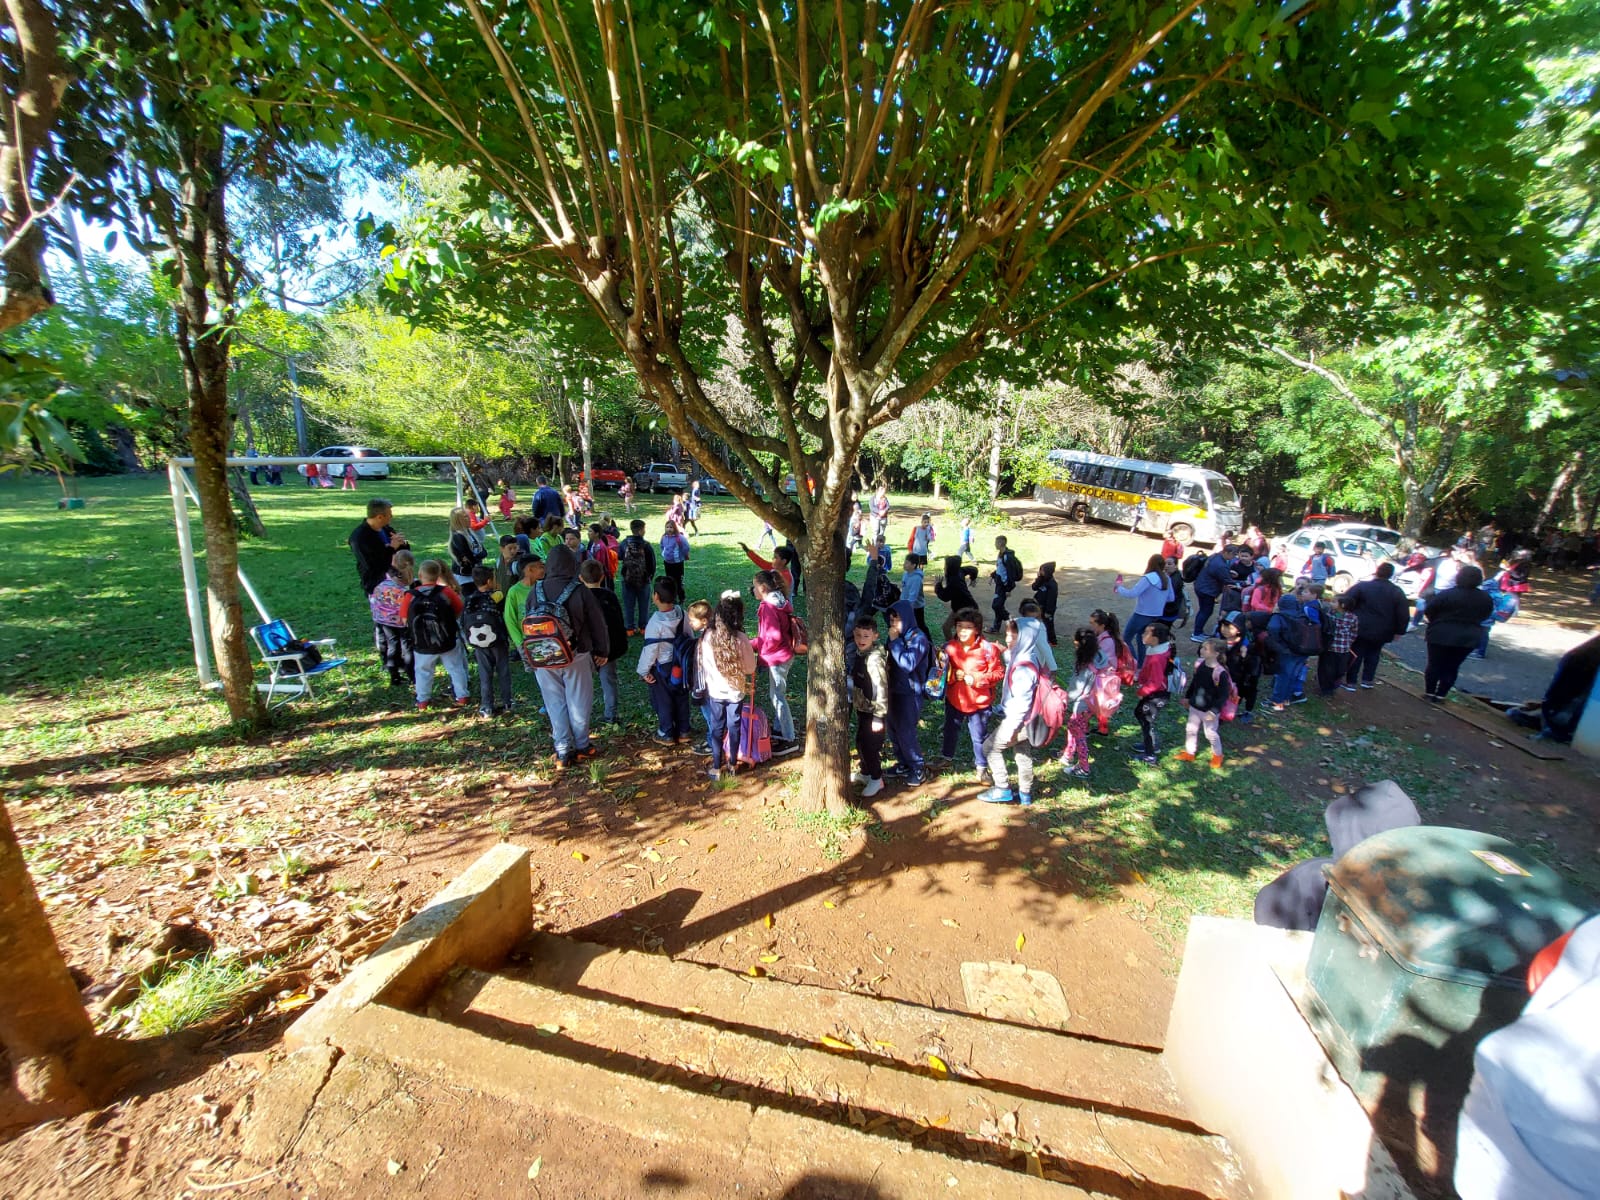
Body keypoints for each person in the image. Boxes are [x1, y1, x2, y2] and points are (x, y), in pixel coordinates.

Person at [531, 545, 611, 767]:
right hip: (576, 654)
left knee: (554, 702)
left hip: (543, 656)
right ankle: (583, 745)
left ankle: (563, 749)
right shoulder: (579, 590)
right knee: (579, 701)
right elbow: (597, 623)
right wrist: (602, 650)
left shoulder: (535, 590)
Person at [978, 618, 1053, 806]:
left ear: (1026, 637)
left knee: (990, 747)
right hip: (1033, 720)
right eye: (1007, 633)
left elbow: (1022, 702)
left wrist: (1011, 728)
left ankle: (1002, 788)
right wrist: (1005, 651)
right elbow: (1012, 660)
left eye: (1014, 634)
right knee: (1022, 753)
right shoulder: (1030, 655)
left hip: (1018, 720)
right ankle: (1025, 794)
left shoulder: (1023, 667)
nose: (1008, 638)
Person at [937, 607, 1002, 779]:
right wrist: (950, 674)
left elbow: (997, 674)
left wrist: (974, 678)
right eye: (959, 626)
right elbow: (941, 674)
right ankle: (946, 758)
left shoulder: (988, 650)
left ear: (977, 629)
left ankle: (981, 767)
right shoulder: (949, 648)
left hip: (979, 703)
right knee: (950, 729)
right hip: (954, 699)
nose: (962, 631)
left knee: (978, 736)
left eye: (968, 627)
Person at [699, 591, 756, 780]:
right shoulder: (741, 638)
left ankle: (716, 766)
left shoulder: (708, 636)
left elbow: (704, 664)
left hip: (715, 690)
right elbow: (750, 668)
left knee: (716, 728)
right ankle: (732, 764)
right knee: (734, 726)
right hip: (736, 691)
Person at [400, 559, 471, 710]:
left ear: (420, 575)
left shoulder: (410, 596)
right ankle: (462, 695)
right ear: (438, 574)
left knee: (422, 671)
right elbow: (459, 609)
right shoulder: (446, 592)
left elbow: (404, 618)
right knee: (456, 667)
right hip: (447, 639)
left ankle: (423, 700)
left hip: (422, 642)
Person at [1421, 564, 1493, 701]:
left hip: (1441, 633)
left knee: (1434, 664)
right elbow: (1486, 615)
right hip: (1468, 636)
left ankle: (1429, 692)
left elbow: (1430, 610)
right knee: (1452, 666)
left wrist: (1436, 621)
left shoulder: (1447, 594)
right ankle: (1441, 694)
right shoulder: (1485, 598)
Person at [749, 570, 799, 754]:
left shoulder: (768, 607)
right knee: (778, 694)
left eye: (754, 587)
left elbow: (773, 638)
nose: (752, 590)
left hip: (777, 658)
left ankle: (789, 738)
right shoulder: (778, 601)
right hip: (783, 654)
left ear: (762, 588)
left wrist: (756, 647)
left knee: (777, 697)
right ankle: (779, 730)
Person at [884, 600, 933, 785]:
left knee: (906, 731)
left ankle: (917, 767)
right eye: (891, 621)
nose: (893, 625)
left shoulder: (918, 638)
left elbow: (908, 664)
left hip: (910, 693)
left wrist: (895, 642)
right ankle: (903, 762)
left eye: (897, 620)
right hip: (893, 690)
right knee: (894, 729)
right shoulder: (895, 636)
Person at [639, 577, 692, 744]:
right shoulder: (682, 614)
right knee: (682, 696)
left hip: (662, 668)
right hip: (681, 664)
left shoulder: (655, 623)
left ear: (655, 596)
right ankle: (684, 731)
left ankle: (666, 732)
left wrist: (643, 671)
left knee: (663, 700)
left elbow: (650, 650)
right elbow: (689, 636)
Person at [1342, 562, 1411, 689]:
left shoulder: (1363, 586)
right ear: (1391, 575)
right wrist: (1399, 631)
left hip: (1361, 626)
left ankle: (1351, 681)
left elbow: (1346, 600)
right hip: (1383, 630)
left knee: (1356, 653)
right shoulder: (1396, 592)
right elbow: (1403, 614)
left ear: (1377, 571)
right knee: (1374, 653)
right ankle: (1367, 680)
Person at [463, 565, 514, 718]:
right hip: (498, 640)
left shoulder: (470, 599)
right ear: (489, 580)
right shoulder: (497, 595)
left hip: (479, 644)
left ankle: (487, 706)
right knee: (503, 671)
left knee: (485, 674)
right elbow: (504, 613)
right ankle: (507, 702)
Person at [580, 559, 627, 725]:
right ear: (602, 577)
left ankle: (581, 718)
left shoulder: (579, 598)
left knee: (582, 686)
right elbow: (617, 626)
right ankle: (611, 716)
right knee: (609, 683)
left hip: (585, 652)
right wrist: (610, 652)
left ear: (580, 578)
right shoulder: (609, 596)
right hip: (607, 651)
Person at [848, 615, 890, 799]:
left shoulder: (874, 660)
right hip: (863, 707)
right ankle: (865, 773)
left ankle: (876, 778)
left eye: (866, 636)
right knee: (860, 741)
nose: (861, 640)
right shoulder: (861, 653)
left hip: (874, 712)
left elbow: (880, 687)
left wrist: (879, 716)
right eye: (858, 635)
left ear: (875, 636)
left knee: (870, 746)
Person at [1178, 638, 1232, 767]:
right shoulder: (1200, 664)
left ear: (1216, 654)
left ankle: (1218, 755)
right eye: (1202, 647)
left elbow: (1224, 695)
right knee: (1190, 729)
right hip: (1195, 706)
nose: (1201, 650)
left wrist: (1214, 712)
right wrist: (1188, 698)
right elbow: (1195, 684)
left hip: (1209, 711)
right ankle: (1189, 753)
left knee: (1211, 734)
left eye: (1205, 649)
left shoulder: (1220, 673)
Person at [1266, 581, 1318, 711]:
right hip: (1303, 649)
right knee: (1294, 674)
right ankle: (1287, 698)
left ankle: (1277, 701)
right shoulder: (1303, 614)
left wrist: (1277, 645)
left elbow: (1273, 630)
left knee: (1283, 675)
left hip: (1287, 651)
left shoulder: (1279, 617)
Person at [369, 550, 416, 690]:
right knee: (407, 647)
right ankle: (412, 676)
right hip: (401, 622)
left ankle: (394, 676)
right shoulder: (403, 590)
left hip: (384, 621)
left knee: (392, 646)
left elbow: (374, 602)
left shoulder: (383, 584)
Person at [1130, 622, 1176, 764]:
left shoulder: (1157, 658)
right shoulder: (1156, 650)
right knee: (1139, 713)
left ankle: (1150, 755)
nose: (1143, 635)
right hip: (1155, 692)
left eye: (1146, 633)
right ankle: (1150, 745)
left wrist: (1142, 691)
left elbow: (1156, 682)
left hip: (1157, 694)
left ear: (1155, 638)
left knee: (1146, 721)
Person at [1115, 553, 1174, 662]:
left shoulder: (1148, 578)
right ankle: (1141, 665)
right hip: (1156, 615)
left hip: (1142, 614)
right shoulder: (1166, 579)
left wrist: (1119, 588)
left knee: (1126, 639)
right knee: (1142, 639)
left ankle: (1134, 661)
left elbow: (1132, 593)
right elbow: (1171, 598)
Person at [1057, 628, 1097, 780]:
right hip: (1093, 704)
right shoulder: (1099, 658)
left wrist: (1065, 700)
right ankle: (1068, 755)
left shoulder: (1084, 666)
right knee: (1074, 729)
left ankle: (1083, 767)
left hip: (1081, 705)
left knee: (1079, 735)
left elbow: (1075, 690)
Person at [349, 497, 409, 595]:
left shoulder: (386, 529)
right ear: (380, 517)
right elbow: (372, 566)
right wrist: (391, 548)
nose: (392, 516)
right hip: (377, 585)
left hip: (396, 579)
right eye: (389, 514)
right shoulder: (359, 538)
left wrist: (403, 543)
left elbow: (402, 551)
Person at [1088, 608, 1128, 736]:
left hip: (1103, 677)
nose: (1091, 625)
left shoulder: (1107, 641)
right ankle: (1102, 728)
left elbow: (1100, 661)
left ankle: (1084, 727)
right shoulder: (1105, 638)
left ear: (1102, 625)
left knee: (1091, 702)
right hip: (1105, 677)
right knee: (1101, 703)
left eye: (1093, 623)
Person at [1192, 544, 1241, 640]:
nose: (1234, 557)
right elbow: (1227, 580)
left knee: (1203, 610)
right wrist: (1242, 582)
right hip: (1207, 590)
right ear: (1227, 552)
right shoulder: (1221, 565)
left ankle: (1198, 632)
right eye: (1233, 554)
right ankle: (1197, 633)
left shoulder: (1215, 557)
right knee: (1206, 611)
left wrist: (1228, 573)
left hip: (1201, 586)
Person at [1218, 612, 1260, 724]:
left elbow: (1252, 666)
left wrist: (1245, 657)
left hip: (1237, 679)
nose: (1225, 629)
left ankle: (1246, 711)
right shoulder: (1217, 641)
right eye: (1224, 626)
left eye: (1230, 627)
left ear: (1239, 629)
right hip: (1220, 677)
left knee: (1234, 697)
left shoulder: (1245, 646)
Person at [618, 519, 658, 635]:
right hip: (643, 579)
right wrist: (649, 576)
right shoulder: (646, 545)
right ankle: (643, 627)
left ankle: (629, 628)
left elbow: (620, 557)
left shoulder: (624, 543)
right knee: (644, 604)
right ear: (641, 530)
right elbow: (652, 564)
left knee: (628, 605)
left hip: (627, 579)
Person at [502, 554, 545, 661]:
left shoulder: (543, 586)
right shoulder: (514, 591)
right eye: (541, 567)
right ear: (530, 569)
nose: (544, 569)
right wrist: (519, 643)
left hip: (544, 637)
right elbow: (509, 619)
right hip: (527, 640)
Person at [1317, 594, 1360, 697]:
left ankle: (1333, 683)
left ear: (1343, 605)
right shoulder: (1329, 614)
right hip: (1329, 648)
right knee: (1325, 669)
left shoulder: (1352, 618)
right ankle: (1325, 689)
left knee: (1340, 669)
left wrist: (1349, 642)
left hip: (1343, 649)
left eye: (1334, 602)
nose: (1331, 603)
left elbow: (1354, 631)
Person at [1474, 574, 1519, 659]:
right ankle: (1479, 651)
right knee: (1484, 635)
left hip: (1484, 620)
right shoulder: (1498, 595)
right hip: (1490, 620)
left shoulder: (1487, 595)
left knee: (1481, 636)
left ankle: (1479, 652)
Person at [936, 556, 979, 635]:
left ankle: (956, 646)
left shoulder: (953, 582)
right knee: (946, 628)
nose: (944, 567)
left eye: (946, 565)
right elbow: (974, 569)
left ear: (950, 568)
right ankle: (950, 646)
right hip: (961, 607)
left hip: (967, 610)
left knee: (962, 633)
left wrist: (938, 584)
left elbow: (945, 597)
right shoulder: (959, 571)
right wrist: (973, 579)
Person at [988, 536, 1022, 632]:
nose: (995, 544)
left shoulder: (1007, 557)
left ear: (1000, 543)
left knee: (996, 605)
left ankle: (1011, 621)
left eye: (996, 542)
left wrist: (1008, 589)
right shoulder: (1001, 554)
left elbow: (1010, 574)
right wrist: (993, 575)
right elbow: (1000, 569)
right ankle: (996, 628)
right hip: (999, 584)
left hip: (1004, 586)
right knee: (999, 605)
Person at [448, 506, 487, 584]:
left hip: (474, 572)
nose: (469, 518)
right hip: (464, 576)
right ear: (458, 521)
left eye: (468, 515)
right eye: (465, 517)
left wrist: (478, 555)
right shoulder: (458, 536)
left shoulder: (470, 533)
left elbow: (483, 552)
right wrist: (477, 556)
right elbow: (469, 556)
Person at [901, 553, 929, 636]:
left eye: (906, 563)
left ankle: (929, 643)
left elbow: (913, 596)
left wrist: (907, 609)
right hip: (906, 604)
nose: (904, 564)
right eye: (904, 562)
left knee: (920, 625)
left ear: (913, 565)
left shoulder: (916, 578)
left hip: (916, 607)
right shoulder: (905, 574)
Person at [661, 519, 690, 595]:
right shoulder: (664, 537)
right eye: (667, 527)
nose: (669, 529)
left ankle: (681, 596)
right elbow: (662, 546)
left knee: (678, 580)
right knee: (669, 579)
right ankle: (672, 595)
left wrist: (681, 555)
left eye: (671, 527)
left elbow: (686, 547)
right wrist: (664, 554)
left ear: (674, 528)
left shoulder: (679, 537)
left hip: (677, 563)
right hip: (667, 562)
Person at [1032, 562, 1059, 645]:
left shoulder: (1052, 584)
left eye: (1042, 570)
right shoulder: (1042, 580)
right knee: (1038, 622)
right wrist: (1038, 578)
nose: (1041, 572)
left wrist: (1049, 611)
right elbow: (1034, 587)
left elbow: (1052, 599)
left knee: (1048, 624)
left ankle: (1052, 641)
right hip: (1039, 606)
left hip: (1047, 608)